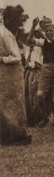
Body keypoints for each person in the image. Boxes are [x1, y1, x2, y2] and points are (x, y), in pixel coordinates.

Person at [0, 8, 32, 145]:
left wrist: (2, 59)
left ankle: (18, 136)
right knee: (3, 105)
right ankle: (6, 135)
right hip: (4, 72)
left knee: (12, 105)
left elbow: (17, 57)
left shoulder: (4, 34)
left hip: (12, 73)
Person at [27, 17, 54, 127]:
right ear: (44, 32)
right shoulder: (44, 42)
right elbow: (30, 41)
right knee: (40, 95)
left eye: (51, 30)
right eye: (46, 31)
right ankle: (45, 117)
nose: (49, 33)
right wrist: (33, 26)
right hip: (45, 70)